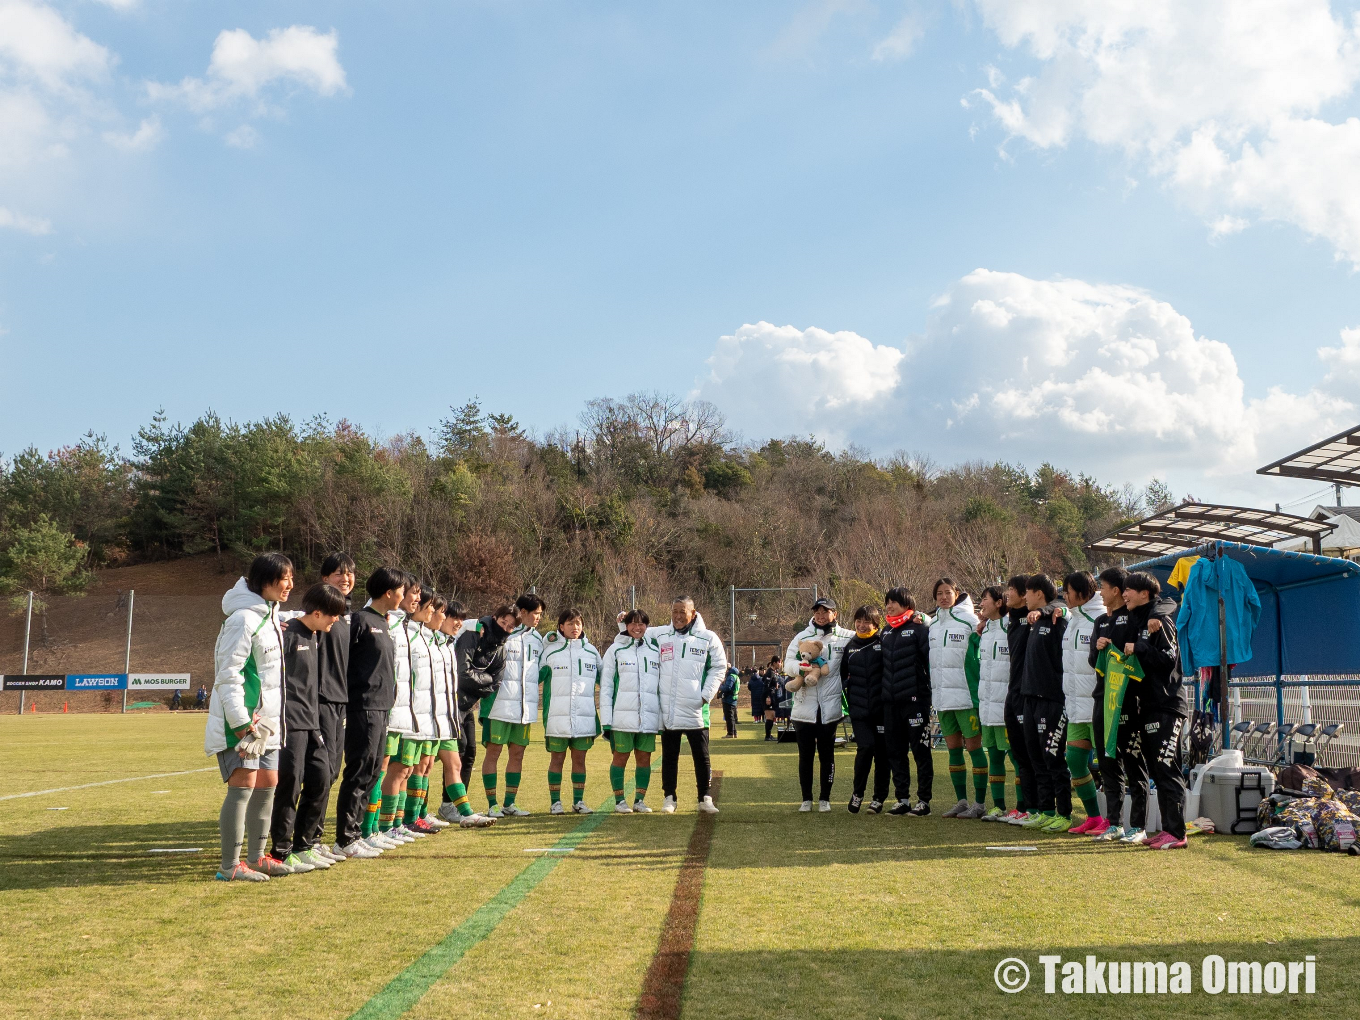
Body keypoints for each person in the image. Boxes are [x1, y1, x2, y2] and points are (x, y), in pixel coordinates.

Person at [206, 552, 292, 881]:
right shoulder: (242, 619)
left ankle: (256, 858)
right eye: (284, 578)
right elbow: (228, 675)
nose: (290, 585)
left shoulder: (270, 618)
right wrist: (241, 723)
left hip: (266, 724)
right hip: (243, 724)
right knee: (243, 787)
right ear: (265, 581)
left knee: (268, 784)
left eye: (291, 578)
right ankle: (229, 866)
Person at [267, 582, 346, 873]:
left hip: (312, 723)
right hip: (290, 723)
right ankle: (281, 851)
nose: (336, 620)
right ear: (317, 613)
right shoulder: (287, 634)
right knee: (290, 785)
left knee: (322, 778)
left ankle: (305, 846)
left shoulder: (315, 635)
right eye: (333, 614)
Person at [333, 567, 404, 859]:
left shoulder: (384, 623)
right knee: (359, 770)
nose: (403, 596)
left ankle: (359, 833)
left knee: (374, 771)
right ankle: (345, 839)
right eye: (400, 591)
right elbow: (341, 662)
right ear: (388, 592)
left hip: (382, 707)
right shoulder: (360, 620)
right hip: (362, 706)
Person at [1122, 572, 1189, 850]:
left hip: (1168, 706)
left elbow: (1168, 660)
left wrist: (1139, 647)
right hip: (1149, 706)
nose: (1124, 594)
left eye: (1129, 589)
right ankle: (1168, 829)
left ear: (1144, 594)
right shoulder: (1141, 619)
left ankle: (1177, 833)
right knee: (1158, 772)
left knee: (1167, 767)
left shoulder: (1160, 622)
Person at [1088, 567, 1151, 843]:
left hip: (1128, 701)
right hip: (1103, 700)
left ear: (1116, 590)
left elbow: (1162, 608)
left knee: (1134, 762)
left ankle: (1139, 826)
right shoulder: (1100, 621)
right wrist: (1099, 648)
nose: (1099, 592)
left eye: (1102, 587)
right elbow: (1093, 661)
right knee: (1107, 762)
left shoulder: (1135, 617)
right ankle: (1114, 824)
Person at [649, 597, 726, 814]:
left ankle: (705, 797)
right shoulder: (660, 634)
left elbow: (719, 667)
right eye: (674, 611)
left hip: (696, 709)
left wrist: (705, 695)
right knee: (669, 756)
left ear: (693, 613)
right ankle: (669, 798)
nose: (678, 616)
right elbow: (637, 633)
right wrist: (623, 622)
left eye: (682, 611)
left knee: (701, 756)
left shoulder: (708, 638)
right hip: (669, 709)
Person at [783, 597, 852, 812]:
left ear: (834, 614)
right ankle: (806, 799)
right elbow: (787, 664)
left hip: (829, 708)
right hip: (804, 706)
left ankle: (825, 799)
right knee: (805, 756)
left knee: (827, 755)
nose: (821, 616)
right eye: (817, 612)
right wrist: (801, 668)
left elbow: (867, 636)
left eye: (825, 611)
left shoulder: (846, 636)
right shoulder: (802, 636)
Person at [480, 594, 544, 817]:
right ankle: (492, 805)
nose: (538, 618)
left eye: (540, 614)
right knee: (493, 753)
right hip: (498, 706)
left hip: (524, 709)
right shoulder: (504, 634)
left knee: (517, 754)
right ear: (523, 612)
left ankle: (510, 803)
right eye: (536, 613)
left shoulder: (538, 639)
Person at [309, 552, 355, 861]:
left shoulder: (346, 618)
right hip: (320, 701)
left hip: (341, 702)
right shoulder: (317, 616)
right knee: (321, 773)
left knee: (333, 772)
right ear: (325, 578)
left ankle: (314, 837)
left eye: (349, 573)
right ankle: (309, 839)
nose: (345, 578)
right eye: (338, 573)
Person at [434, 600, 495, 828]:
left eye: (461, 618)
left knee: (465, 754)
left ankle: (458, 808)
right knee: (422, 764)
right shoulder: (432, 641)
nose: (458, 622)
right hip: (437, 711)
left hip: (459, 706)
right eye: (453, 617)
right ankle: (413, 814)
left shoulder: (449, 642)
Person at [928, 578, 985, 819]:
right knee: (953, 749)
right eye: (939, 594)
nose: (943, 597)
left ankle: (979, 803)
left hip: (966, 697)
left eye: (948, 592)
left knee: (974, 748)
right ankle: (961, 801)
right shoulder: (932, 624)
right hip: (942, 698)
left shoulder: (970, 621)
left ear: (956, 593)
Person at [1019, 574, 1072, 832]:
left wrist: (1049, 609)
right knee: (1037, 758)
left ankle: (1064, 813)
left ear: (1039, 593)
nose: (1024, 598)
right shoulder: (1033, 620)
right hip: (1030, 699)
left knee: (1054, 758)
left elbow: (1061, 605)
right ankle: (1045, 810)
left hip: (1052, 700)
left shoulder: (1056, 618)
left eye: (1027, 592)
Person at [538, 608, 602, 813]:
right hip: (556, 718)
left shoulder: (591, 651)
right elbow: (534, 678)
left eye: (578, 623)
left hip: (584, 717)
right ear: (561, 627)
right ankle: (555, 803)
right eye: (570, 623)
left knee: (580, 760)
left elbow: (605, 681)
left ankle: (578, 802)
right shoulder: (550, 652)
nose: (575, 627)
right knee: (557, 759)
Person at [1058, 572, 1107, 834]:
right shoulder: (1072, 619)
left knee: (1110, 766)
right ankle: (1094, 817)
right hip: (1076, 706)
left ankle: (1117, 819)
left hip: (1098, 706)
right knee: (1075, 761)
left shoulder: (1101, 617)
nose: (1064, 596)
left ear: (1081, 592)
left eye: (1067, 591)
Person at [600, 609, 660, 813]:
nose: (637, 627)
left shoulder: (654, 650)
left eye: (641, 623)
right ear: (626, 626)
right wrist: (607, 721)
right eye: (633, 623)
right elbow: (606, 687)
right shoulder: (615, 650)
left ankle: (639, 801)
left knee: (644, 759)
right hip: (622, 718)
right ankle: (620, 801)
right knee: (620, 758)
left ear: (647, 626)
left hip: (648, 718)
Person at [880, 588, 932, 816]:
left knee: (921, 752)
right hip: (890, 702)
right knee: (895, 752)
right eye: (887, 602)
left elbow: (930, 660)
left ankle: (924, 801)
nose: (889, 606)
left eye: (894, 602)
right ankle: (902, 799)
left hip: (915, 701)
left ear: (907, 604)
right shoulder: (885, 631)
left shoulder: (919, 628)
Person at [840, 605, 887, 813]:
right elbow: (842, 676)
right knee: (865, 748)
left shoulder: (883, 642)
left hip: (882, 710)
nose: (861, 625)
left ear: (876, 624)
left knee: (882, 754)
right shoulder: (850, 646)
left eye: (866, 621)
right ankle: (857, 793)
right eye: (858, 621)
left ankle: (878, 798)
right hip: (859, 711)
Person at [973, 586, 1014, 821]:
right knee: (995, 757)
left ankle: (1024, 807)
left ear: (999, 602)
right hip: (988, 705)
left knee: (1017, 758)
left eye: (985, 599)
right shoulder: (985, 629)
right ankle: (999, 806)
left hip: (1006, 706)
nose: (981, 604)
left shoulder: (1012, 626)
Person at [1001, 576, 1038, 825]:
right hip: (1012, 693)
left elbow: (1060, 608)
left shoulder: (1037, 617)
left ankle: (1040, 808)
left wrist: (1046, 610)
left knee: (1032, 755)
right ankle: (1025, 807)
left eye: (1012, 589)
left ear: (1025, 594)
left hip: (1029, 694)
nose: (1007, 593)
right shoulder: (1012, 619)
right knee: (1019, 755)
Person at [761, 657, 783, 740]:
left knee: (772, 715)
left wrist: (775, 684)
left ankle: (769, 735)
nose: (780, 664)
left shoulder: (774, 672)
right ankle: (767, 736)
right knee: (769, 715)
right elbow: (766, 685)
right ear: (774, 663)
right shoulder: (770, 672)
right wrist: (768, 697)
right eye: (779, 662)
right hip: (768, 696)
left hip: (772, 695)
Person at [719, 666, 741, 738]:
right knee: (732, 717)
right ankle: (734, 732)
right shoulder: (736, 677)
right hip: (733, 698)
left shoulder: (731, 677)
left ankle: (730, 733)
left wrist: (720, 686)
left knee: (729, 717)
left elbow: (727, 688)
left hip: (728, 699)